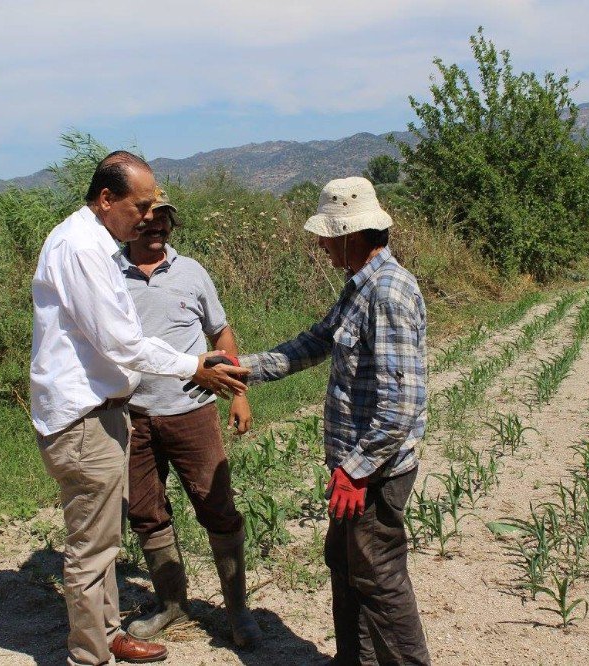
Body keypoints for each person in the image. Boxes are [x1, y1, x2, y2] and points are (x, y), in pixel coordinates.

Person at [30, 150, 249, 666]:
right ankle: (92, 655)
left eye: (157, 208)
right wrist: (195, 367)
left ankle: (108, 634)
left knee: (113, 537)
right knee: (96, 546)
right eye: (141, 204)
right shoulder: (85, 250)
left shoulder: (104, 248)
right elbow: (122, 345)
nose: (148, 216)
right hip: (88, 418)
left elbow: (211, 329)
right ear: (107, 200)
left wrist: (227, 382)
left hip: (120, 412)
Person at [237, 177, 432, 665]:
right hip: (356, 468)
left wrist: (356, 469)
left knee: (379, 576)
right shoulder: (359, 289)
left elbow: (400, 405)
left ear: (350, 234)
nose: (321, 244)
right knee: (348, 566)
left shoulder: (387, 293)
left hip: (375, 472)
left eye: (327, 235)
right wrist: (244, 370)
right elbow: (314, 342)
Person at [120, 189, 264, 649]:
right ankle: (171, 604)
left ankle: (238, 611)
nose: (157, 226)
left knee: (216, 507)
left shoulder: (191, 272)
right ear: (130, 223)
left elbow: (219, 331)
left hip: (192, 411)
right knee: (145, 511)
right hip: (131, 417)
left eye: (165, 220)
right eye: (148, 219)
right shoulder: (108, 275)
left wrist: (237, 394)